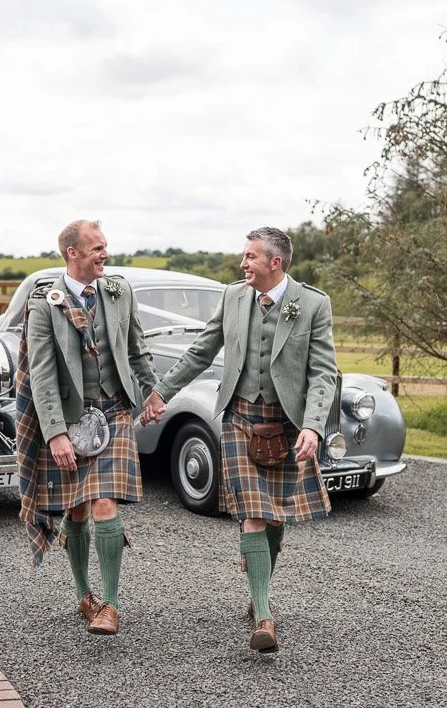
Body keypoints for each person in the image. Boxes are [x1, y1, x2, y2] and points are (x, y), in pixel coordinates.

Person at [141, 226, 336, 654]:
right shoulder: (232, 298)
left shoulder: (313, 304)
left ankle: (257, 587)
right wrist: (160, 393)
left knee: (275, 519)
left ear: (275, 263)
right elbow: (201, 352)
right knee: (253, 513)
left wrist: (314, 425)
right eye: (243, 256)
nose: (242, 263)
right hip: (240, 418)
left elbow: (324, 373)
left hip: (287, 424)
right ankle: (265, 615)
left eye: (250, 256)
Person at [16, 219, 158, 636]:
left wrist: (150, 392)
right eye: (96, 248)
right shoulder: (44, 304)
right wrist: (56, 433)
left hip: (114, 412)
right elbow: (41, 375)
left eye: (105, 246)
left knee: (103, 503)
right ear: (72, 253)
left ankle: (111, 605)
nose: (105, 254)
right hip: (71, 419)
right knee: (76, 509)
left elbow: (136, 348)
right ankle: (84, 595)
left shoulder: (119, 291)